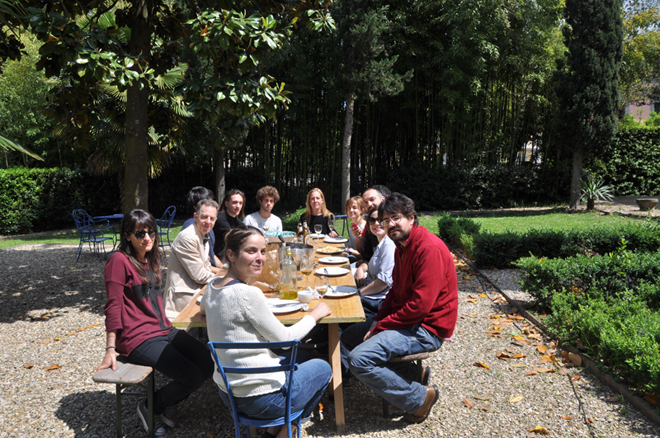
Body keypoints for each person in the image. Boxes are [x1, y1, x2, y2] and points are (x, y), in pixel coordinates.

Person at [201, 225, 332, 438]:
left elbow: (204, 309)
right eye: (251, 251)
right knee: (324, 367)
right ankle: (290, 428)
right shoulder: (248, 294)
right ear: (231, 255)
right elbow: (285, 340)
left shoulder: (213, 286)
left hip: (228, 394)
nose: (260, 257)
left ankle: (271, 433)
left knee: (303, 356)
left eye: (263, 251)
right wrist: (315, 315)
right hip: (261, 398)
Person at [343, 193, 458, 424]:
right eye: (385, 221)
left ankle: (419, 399)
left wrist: (380, 327)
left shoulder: (429, 249)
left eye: (396, 218)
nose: (390, 225)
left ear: (411, 218)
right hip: (409, 320)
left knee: (358, 359)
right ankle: (413, 374)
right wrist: (378, 321)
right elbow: (395, 292)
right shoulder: (401, 247)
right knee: (348, 335)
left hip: (427, 328)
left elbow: (420, 307)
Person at [97, 209, 214, 436]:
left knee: (209, 362)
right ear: (127, 235)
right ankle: (151, 406)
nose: (147, 237)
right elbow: (113, 306)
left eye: (151, 231)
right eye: (140, 234)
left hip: (164, 329)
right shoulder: (118, 261)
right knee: (192, 377)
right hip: (138, 338)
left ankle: (161, 402)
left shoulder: (151, 258)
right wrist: (110, 347)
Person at [164, 199, 219, 320]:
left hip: (197, 295)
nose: (208, 222)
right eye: (204, 217)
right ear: (195, 216)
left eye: (212, 218)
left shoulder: (204, 234)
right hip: (182, 303)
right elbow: (199, 275)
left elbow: (205, 266)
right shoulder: (188, 237)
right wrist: (226, 279)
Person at [352, 207, 395, 317]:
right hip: (371, 294)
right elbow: (372, 264)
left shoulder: (388, 245)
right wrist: (361, 268)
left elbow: (383, 282)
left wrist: (358, 293)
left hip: (378, 301)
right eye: (372, 220)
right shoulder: (380, 243)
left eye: (380, 220)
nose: (376, 223)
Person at [181, 186, 222, 270]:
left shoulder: (208, 226)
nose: (211, 204)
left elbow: (211, 254)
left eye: (212, 201)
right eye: (207, 202)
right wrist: (223, 273)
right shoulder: (190, 228)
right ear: (195, 207)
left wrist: (225, 268)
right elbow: (197, 267)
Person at [355, 186, 389, 262]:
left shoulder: (392, 224)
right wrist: (358, 237)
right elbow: (365, 251)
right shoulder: (370, 223)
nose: (369, 204)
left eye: (372, 200)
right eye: (365, 202)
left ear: (382, 199)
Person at [214, 189, 245, 256]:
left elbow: (245, 230)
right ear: (226, 204)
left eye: (240, 203)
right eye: (234, 202)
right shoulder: (220, 219)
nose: (238, 206)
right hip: (219, 259)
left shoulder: (235, 218)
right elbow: (232, 237)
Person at [345, 196, 366, 260]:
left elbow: (366, 254)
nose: (351, 210)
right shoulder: (351, 227)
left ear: (362, 210)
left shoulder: (364, 227)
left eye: (354, 208)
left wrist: (349, 250)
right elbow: (349, 246)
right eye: (349, 208)